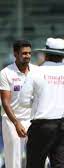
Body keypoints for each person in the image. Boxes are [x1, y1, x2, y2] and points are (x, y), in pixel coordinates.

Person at [19, 37, 64, 167]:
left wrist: (38, 102)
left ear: (46, 54)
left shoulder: (36, 72)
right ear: (62, 55)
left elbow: (23, 101)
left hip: (41, 126)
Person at [0, 40, 37, 168]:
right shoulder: (6, 73)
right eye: (24, 53)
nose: (27, 56)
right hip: (12, 121)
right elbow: (5, 101)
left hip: (34, 121)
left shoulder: (37, 71)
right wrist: (16, 123)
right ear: (15, 54)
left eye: (29, 53)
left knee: (39, 160)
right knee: (14, 162)